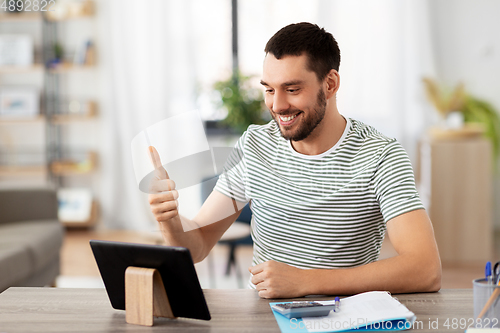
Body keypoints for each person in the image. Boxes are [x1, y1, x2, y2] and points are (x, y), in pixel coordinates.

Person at [149, 22, 441, 299]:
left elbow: (425, 269)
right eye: (269, 89)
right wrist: (171, 221)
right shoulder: (254, 146)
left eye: (292, 89)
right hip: (263, 316)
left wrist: (306, 281)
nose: (277, 106)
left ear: (330, 83)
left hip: (344, 317)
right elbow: (198, 243)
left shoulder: (381, 156)